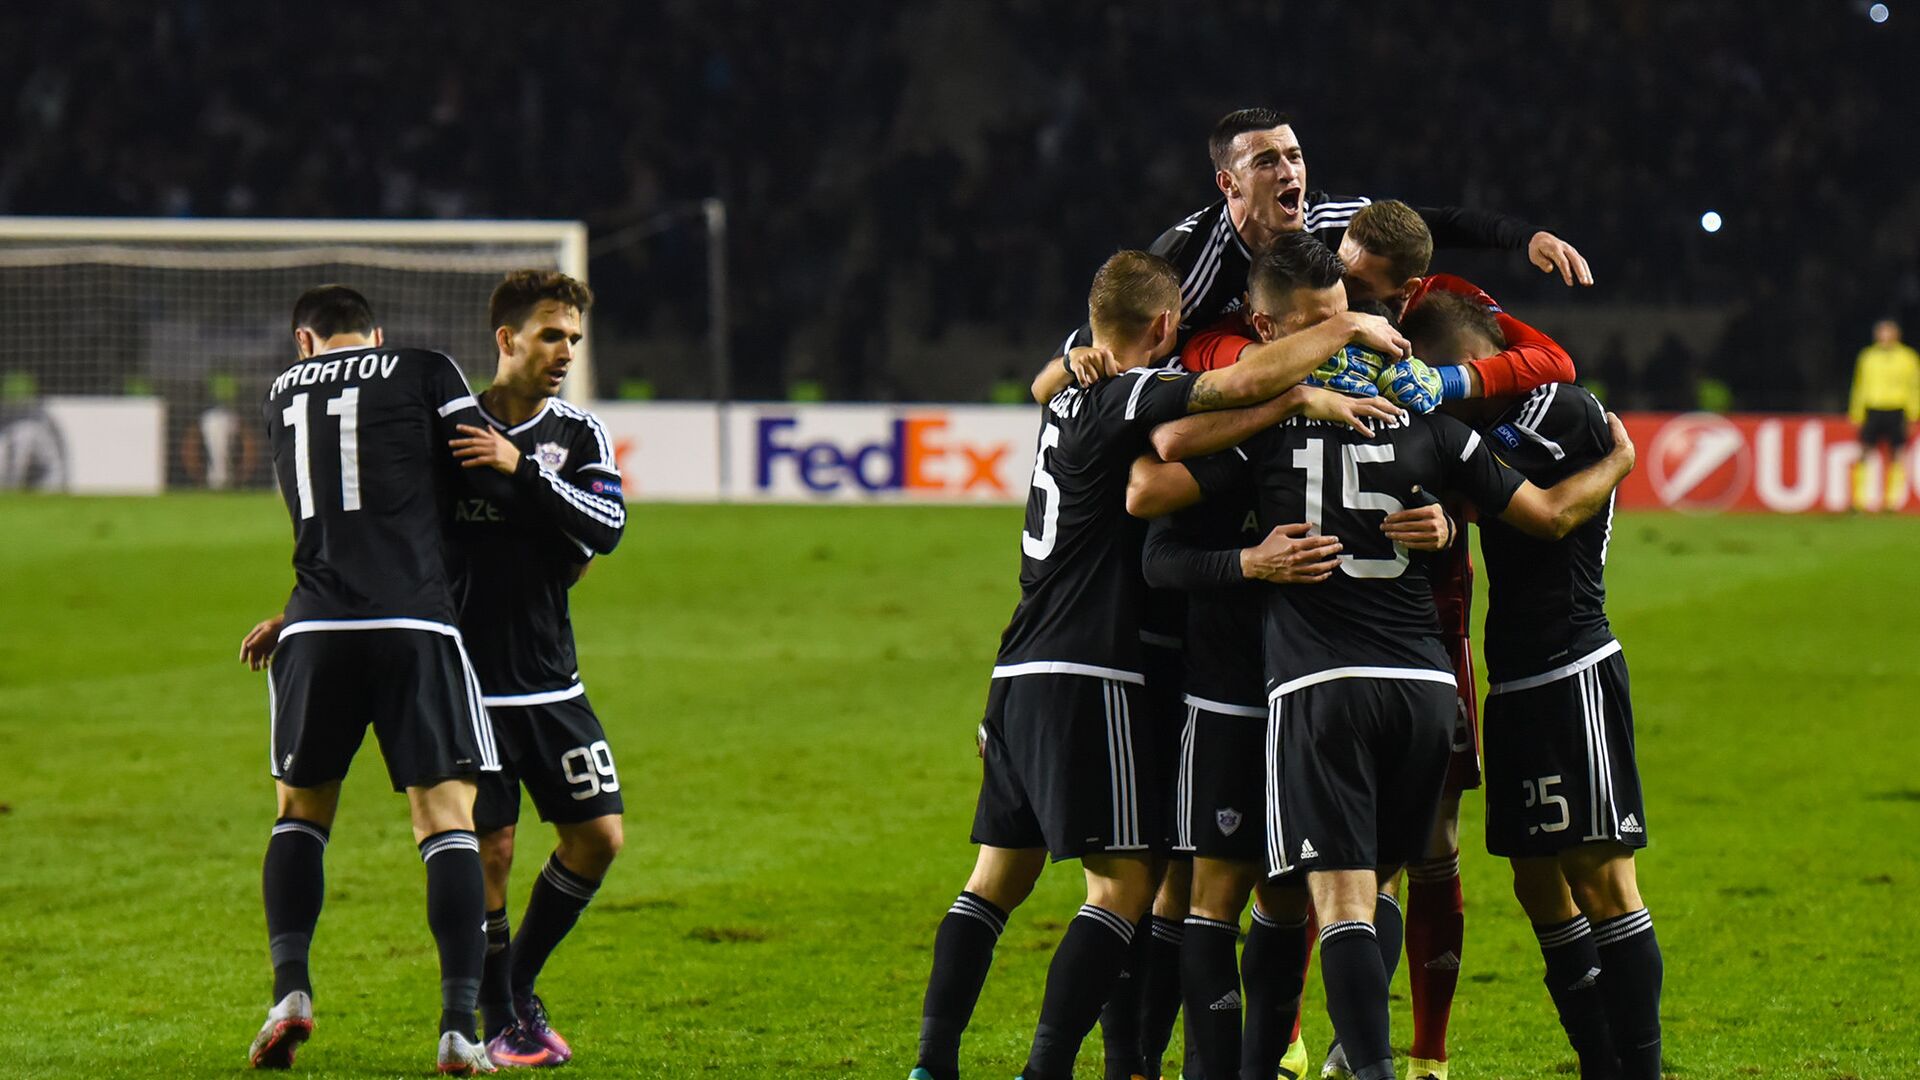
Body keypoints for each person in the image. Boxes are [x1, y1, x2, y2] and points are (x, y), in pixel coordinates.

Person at [908, 249, 1407, 1080]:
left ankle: (933, 1063)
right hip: (1091, 667)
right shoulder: (1128, 390)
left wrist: (1069, 358)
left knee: (994, 879)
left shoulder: (1068, 393)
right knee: (1124, 890)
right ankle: (1046, 1070)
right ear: (1167, 324)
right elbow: (1223, 395)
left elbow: (1055, 385)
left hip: (1020, 661)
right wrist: (1331, 348)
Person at [1132, 361, 1636, 1080]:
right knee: (1369, 881)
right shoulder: (1433, 430)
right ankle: (1365, 1054)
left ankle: (1356, 1062)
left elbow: (1152, 502)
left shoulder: (1268, 431)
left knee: (1321, 896)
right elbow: (1546, 509)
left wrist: (1252, 553)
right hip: (1405, 687)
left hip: (1310, 686)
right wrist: (1615, 462)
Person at [1125, 236, 1451, 1080]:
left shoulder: (1369, 402)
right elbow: (1157, 535)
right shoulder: (1238, 410)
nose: (1337, 339)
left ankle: (1301, 1058)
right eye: (1316, 328)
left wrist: (1445, 522)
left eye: (1343, 319)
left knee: (1326, 889)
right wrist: (1248, 563)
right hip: (1234, 689)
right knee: (1220, 894)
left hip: (1319, 682)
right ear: (1267, 330)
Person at [1324, 202, 1582, 1080]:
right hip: (1318, 611)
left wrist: (1452, 385)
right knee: (1320, 849)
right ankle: (1311, 1040)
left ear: (1405, 287)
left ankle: (1426, 1056)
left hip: (1431, 616)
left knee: (1431, 839)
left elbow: (1553, 362)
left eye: (1364, 281)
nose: (1347, 287)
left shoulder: (1444, 302)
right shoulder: (1313, 309)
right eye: (1342, 268)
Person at [239, 285, 519, 1075]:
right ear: (376, 334)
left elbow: (334, 518)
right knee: (446, 820)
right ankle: (459, 1027)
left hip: (315, 628)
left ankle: (290, 994)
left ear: (304, 342)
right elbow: (483, 471)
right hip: (413, 624)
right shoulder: (426, 368)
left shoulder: (281, 391)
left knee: (300, 816)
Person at [1408, 296, 1666, 1080]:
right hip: (1515, 678)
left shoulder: (1562, 406)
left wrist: (1618, 465)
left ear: (1472, 364)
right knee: (1535, 881)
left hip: (1571, 664)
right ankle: (1598, 1063)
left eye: (1441, 379)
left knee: (1603, 880)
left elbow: (1540, 512)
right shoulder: (1487, 424)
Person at [448, 271, 627, 1068]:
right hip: (467, 681)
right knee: (492, 850)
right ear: (507, 338)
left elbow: (606, 527)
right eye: (551, 335)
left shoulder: (580, 434)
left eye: (574, 339)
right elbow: (405, 540)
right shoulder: (449, 428)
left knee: (599, 838)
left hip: (553, 679)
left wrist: (519, 470)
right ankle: (499, 1017)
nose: (565, 352)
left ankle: (515, 987)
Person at [1847, 319, 1919, 511]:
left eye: (1888, 332)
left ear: (1897, 335)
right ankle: (1858, 501)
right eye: (1881, 332)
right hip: (1873, 408)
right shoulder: (1868, 357)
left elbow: (1914, 387)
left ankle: (1892, 502)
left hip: (1897, 408)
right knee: (1864, 451)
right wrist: (1857, 412)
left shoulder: (1908, 358)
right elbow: (1859, 385)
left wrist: (1913, 415)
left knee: (1896, 453)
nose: (1884, 336)